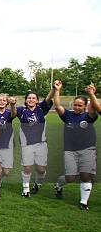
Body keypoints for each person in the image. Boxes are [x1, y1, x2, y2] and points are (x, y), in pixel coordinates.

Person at [53, 81, 98, 210]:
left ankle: (84, 202)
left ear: (85, 106)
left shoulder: (89, 116)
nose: (77, 107)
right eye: (75, 105)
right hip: (70, 151)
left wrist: (91, 94)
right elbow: (57, 105)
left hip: (88, 149)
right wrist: (57, 90)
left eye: (80, 105)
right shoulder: (68, 116)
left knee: (86, 175)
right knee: (70, 177)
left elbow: (95, 108)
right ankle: (58, 185)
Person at [15, 84, 56, 197]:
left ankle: (38, 184)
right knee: (27, 167)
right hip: (26, 144)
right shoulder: (21, 110)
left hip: (41, 144)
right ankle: (26, 190)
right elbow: (13, 113)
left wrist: (54, 88)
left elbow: (48, 99)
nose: (31, 99)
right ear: (26, 100)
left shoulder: (41, 109)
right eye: (29, 98)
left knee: (41, 170)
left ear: (37, 100)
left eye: (33, 98)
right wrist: (13, 104)